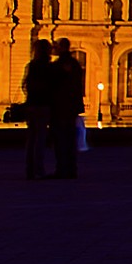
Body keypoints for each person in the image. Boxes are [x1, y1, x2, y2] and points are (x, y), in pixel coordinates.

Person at [21, 39, 57, 180]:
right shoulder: (48, 67)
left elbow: (24, 85)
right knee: (41, 139)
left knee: (31, 139)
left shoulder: (31, 66)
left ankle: (29, 169)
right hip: (43, 105)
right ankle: (39, 168)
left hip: (31, 104)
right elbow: (53, 87)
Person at [51, 38, 85, 178]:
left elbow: (54, 86)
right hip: (72, 106)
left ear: (61, 48)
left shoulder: (59, 65)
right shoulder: (75, 64)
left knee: (60, 139)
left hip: (60, 107)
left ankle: (61, 169)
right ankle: (71, 168)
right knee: (70, 139)